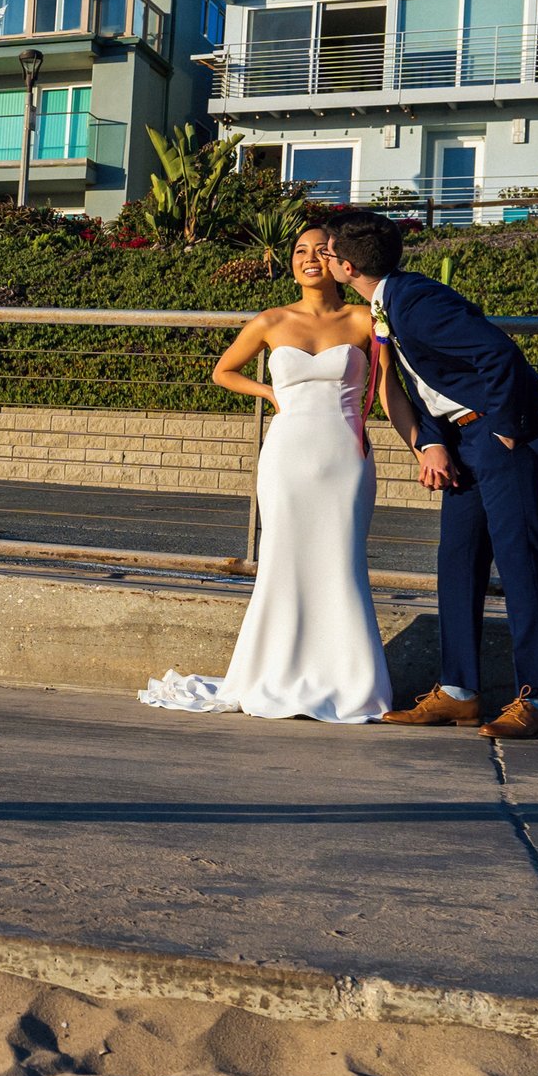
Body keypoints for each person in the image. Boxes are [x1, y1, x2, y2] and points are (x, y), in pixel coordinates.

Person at [317, 210, 538, 740]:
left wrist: (504, 429)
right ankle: (459, 693)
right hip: (461, 439)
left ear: (346, 265)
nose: (323, 260)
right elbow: (425, 382)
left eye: (328, 253)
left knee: (519, 561)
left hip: (501, 438)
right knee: (458, 559)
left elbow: (498, 352)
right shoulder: (389, 300)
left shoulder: (417, 301)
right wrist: (435, 440)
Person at [141, 226, 392, 722]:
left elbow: (387, 389)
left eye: (322, 249)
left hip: (346, 458)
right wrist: (271, 395)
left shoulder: (366, 318)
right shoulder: (271, 320)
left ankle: (350, 681)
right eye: (300, 250)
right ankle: (272, 673)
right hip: (286, 458)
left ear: (342, 260)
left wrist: (424, 443)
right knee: (283, 561)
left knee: (341, 563)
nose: (311, 257)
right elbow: (223, 371)